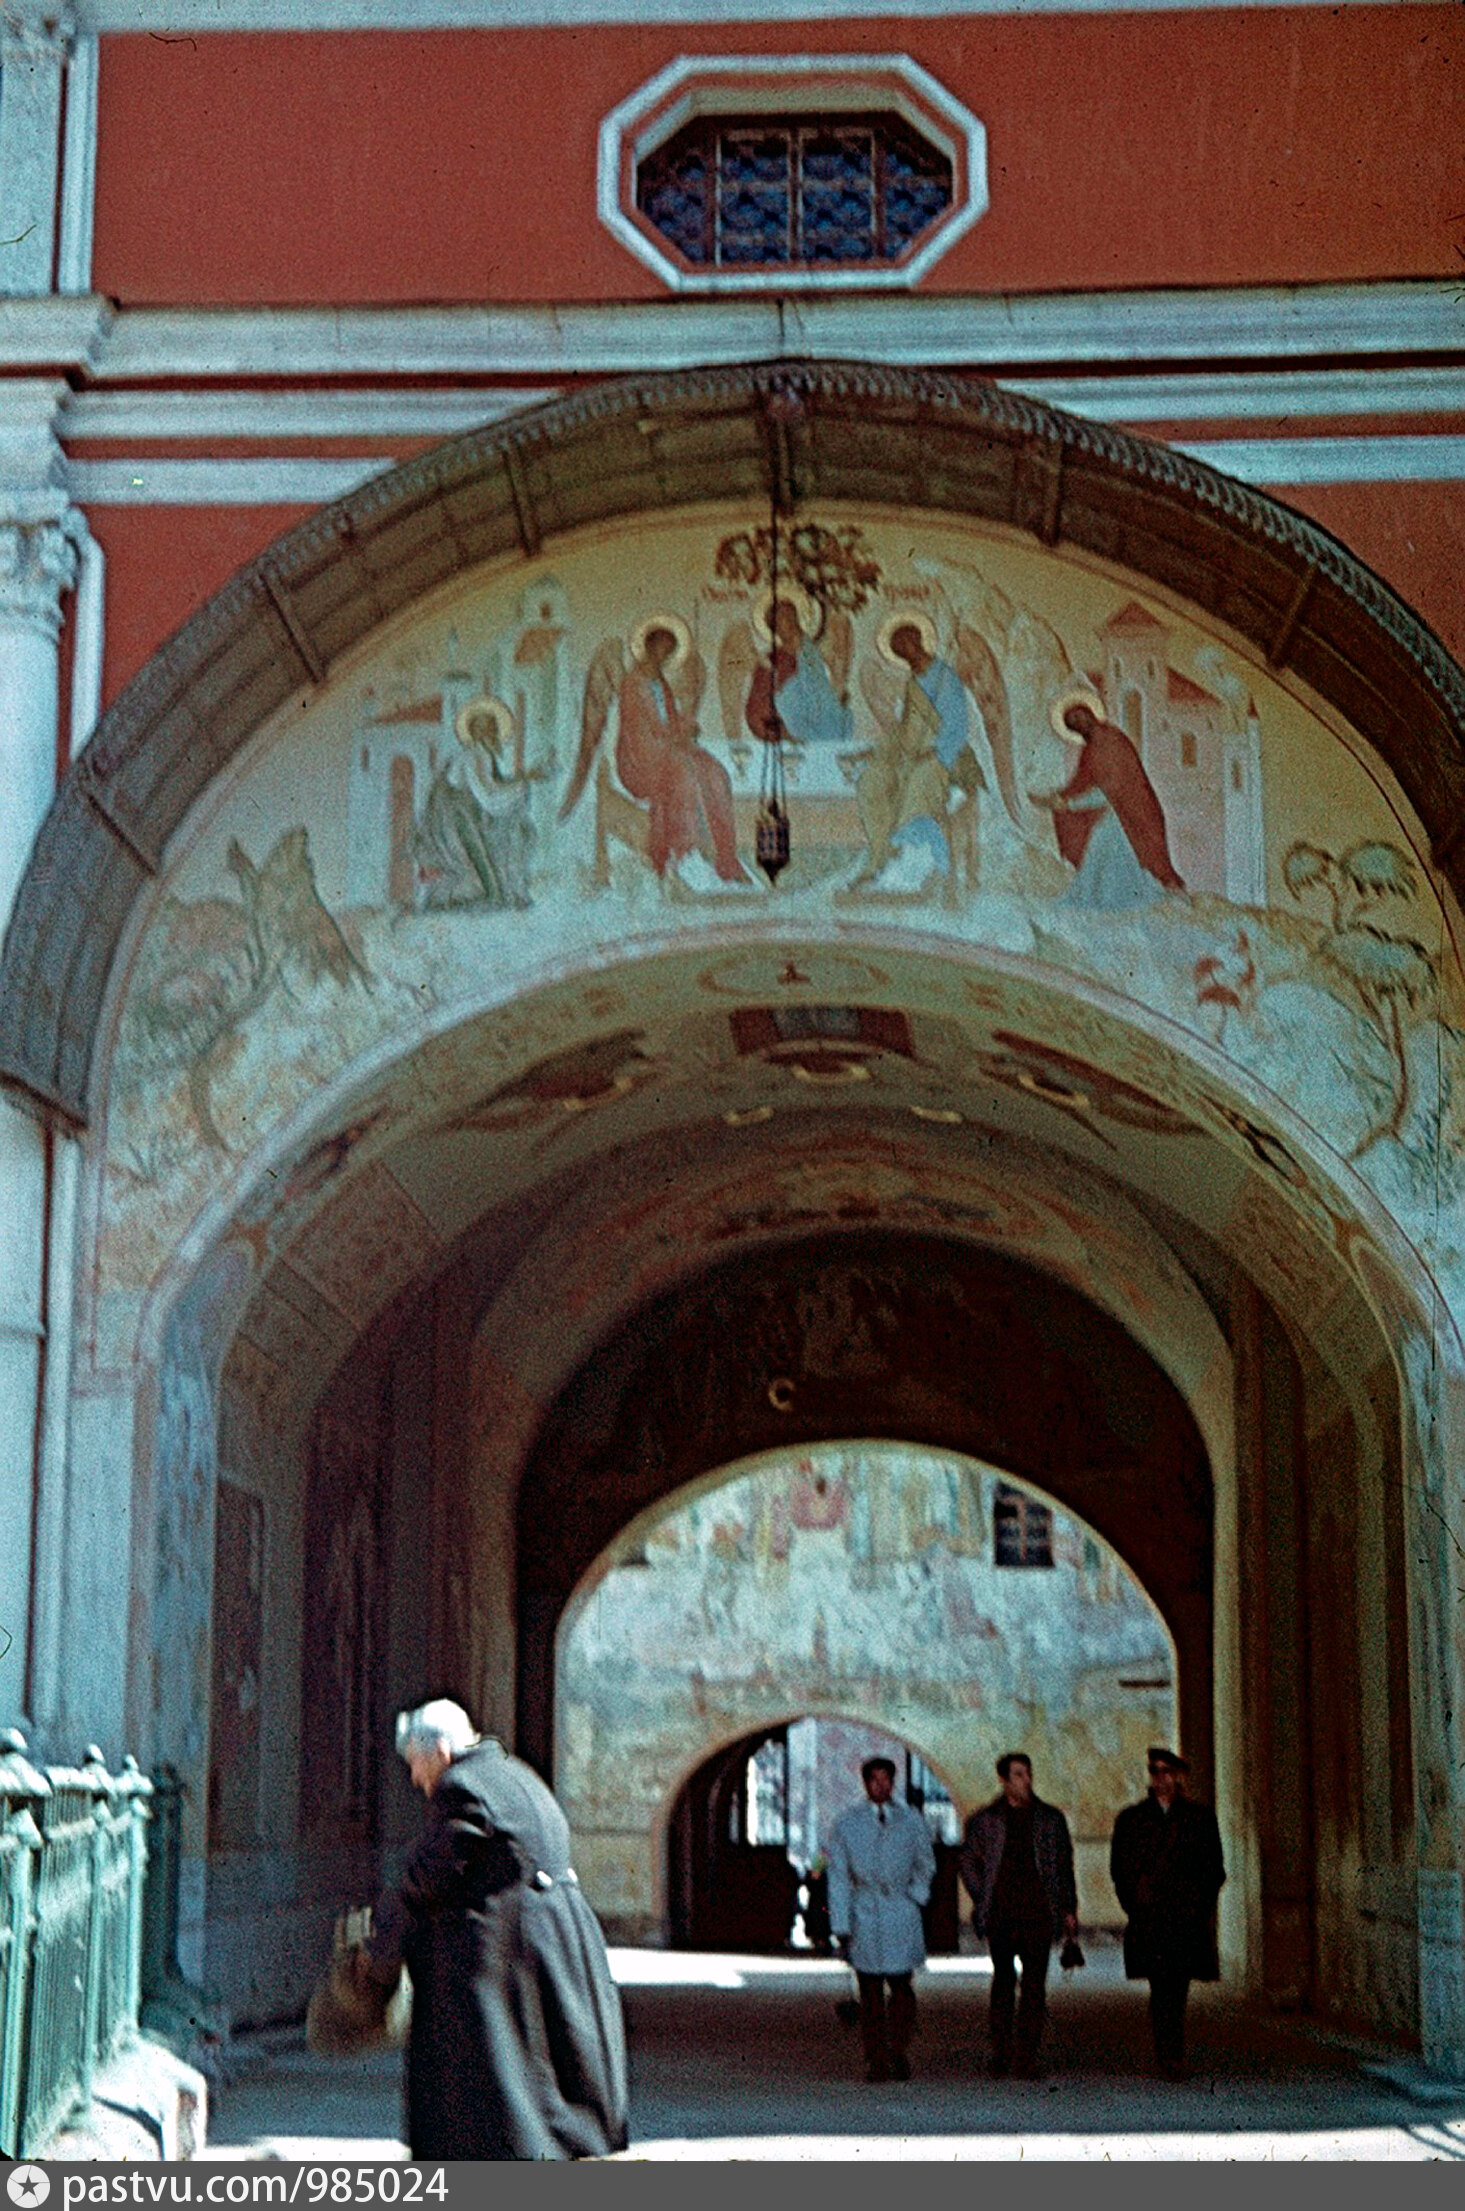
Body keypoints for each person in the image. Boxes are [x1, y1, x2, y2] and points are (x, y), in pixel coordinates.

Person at [366, 1699, 629, 2160]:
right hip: (555, 1936)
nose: (415, 1778)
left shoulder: (462, 1786)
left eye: (415, 1763)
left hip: (512, 1943)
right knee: (540, 2065)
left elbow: (429, 1875)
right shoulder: (515, 1774)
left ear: (441, 1750)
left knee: (497, 2073)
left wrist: (380, 1943)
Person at [960, 1751, 1078, 2079]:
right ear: (1003, 1780)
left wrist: (1068, 1908)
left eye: (1028, 1774)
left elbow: (1064, 1865)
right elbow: (968, 1861)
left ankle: (1027, 2056)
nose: (1026, 1781)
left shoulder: (1050, 1820)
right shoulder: (985, 1820)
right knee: (1003, 1982)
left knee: (1034, 1987)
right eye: (1018, 1775)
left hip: (1039, 1913)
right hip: (1001, 1914)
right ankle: (1001, 2052)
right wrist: (982, 1894)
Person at [1110, 1746, 1226, 2079]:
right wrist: (1134, 1904)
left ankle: (1171, 2052)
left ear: (1178, 1776)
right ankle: (1168, 2054)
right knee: (1161, 1987)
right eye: (1155, 1771)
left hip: (1185, 1918)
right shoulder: (1133, 1820)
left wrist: (1199, 1907)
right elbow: (1120, 1869)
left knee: (1177, 1987)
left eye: (1167, 1771)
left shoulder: (1199, 1820)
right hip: (1151, 1918)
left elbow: (1214, 1869)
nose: (1161, 1778)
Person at [826, 1755, 936, 2082]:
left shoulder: (911, 1820)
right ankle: (875, 2058)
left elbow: (926, 1863)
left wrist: (916, 1895)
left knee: (902, 1989)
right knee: (870, 1992)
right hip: (866, 1911)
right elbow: (838, 1877)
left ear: (893, 1781)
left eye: (886, 1778)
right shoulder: (847, 1824)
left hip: (900, 1908)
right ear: (865, 1783)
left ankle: (898, 2049)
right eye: (874, 1779)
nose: (881, 1785)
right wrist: (841, 1925)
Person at [616, 623, 747, 887]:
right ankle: (685, 855)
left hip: (667, 749)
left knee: (715, 772)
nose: (664, 656)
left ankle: (726, 859)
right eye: (661, 649)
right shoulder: (633, 683)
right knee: (684, 773)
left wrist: (686, 725)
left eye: (669, 652)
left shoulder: (660, 683)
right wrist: (676, 733)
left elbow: (670, 720)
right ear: (649, 647)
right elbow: (648, 728)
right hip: (641, 758)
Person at [855, 619, 981, 892]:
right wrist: (876, 751)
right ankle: (881, 857)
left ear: (918, 641)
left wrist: (935, 752)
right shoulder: (913, 683)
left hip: (947, 758)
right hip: (912, 758)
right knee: (871, 782)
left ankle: (914, 864)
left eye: (905, 645)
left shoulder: (945, 678)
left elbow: (957, 726)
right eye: (897, 649)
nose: (902, 652)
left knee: (918, 786)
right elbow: (904, 731)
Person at [1032, 687, 1184, 910]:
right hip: (1117, 812)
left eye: (1079, 717)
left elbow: (1110, 789)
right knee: (1101, 842)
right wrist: (1058, 797)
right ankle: (1102, 900)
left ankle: (1114, 900)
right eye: (1072, 723)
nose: (1078, 723)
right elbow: (1081, 784)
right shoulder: (1091, 749)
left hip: (1132, 814)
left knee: (1106, 841)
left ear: (1090, 713)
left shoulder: (1110, 741)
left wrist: (1068, 803)